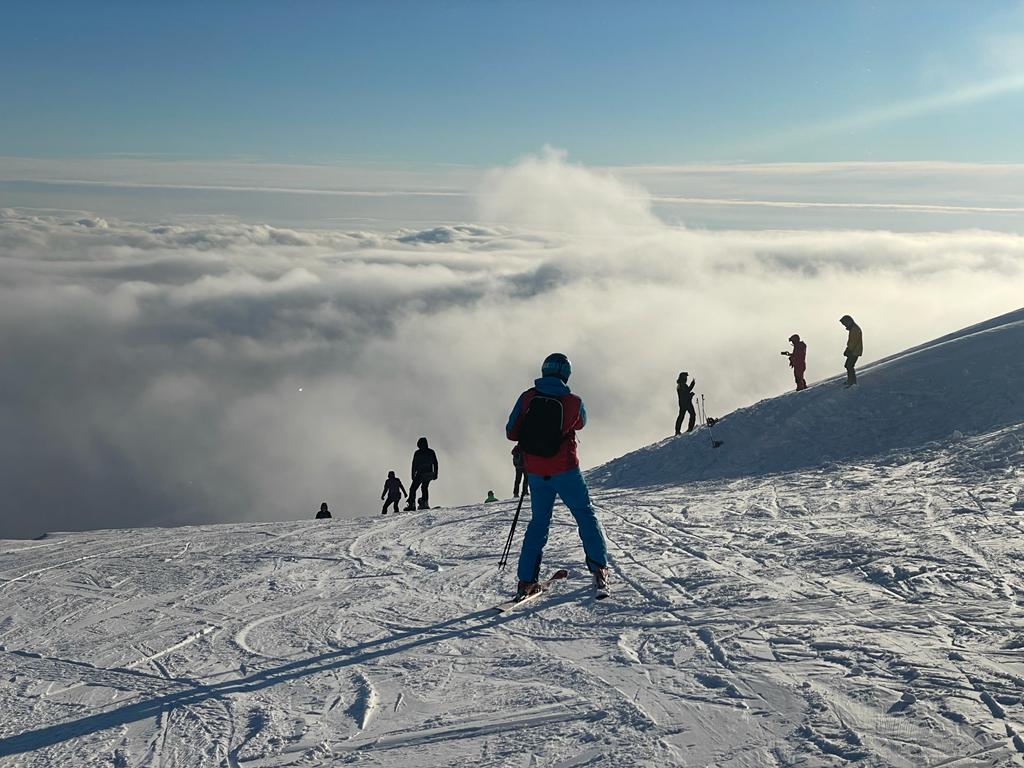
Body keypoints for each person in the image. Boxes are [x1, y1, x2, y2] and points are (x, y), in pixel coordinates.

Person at [506, 352, 609, 598]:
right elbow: (580, 423)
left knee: (539, 523)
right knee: (584, 515)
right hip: (565, 469)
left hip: (537, 472)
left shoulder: (528, 398)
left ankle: (526, 581)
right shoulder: (573, 401)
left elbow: (511, 432)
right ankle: (599, 570)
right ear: (566, 374)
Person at [405, 437, 438, 510]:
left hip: (421, 473)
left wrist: (413, 474)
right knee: (424, 487)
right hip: (428, 473)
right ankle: (424, 503)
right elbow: (435, 463)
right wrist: (435, 473)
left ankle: (412, 505)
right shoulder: (431, 451)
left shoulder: (418, 452)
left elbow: (414, 464)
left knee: (413, 489)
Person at [840, 315, 863, 386]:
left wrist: (849, 350)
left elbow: (853, 342)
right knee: (848, 365)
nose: (844, 325)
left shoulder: (854, 329)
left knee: (849, 366)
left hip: (854, 351)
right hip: (854, 351)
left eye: (845, 323)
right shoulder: (854, 329)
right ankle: (851, 381)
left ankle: (852, 382)